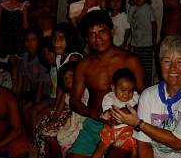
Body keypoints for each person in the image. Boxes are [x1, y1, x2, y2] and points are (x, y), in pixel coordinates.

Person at [111, 35, 181, 158]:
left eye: (180, 62)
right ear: (160, 65)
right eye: (167, 61)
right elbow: (144, 144)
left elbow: (178, 143)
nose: (173, 67)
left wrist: (139, 123)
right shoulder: (148, 96)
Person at [67, 10, 145, 158]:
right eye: (92, 34)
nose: (98, 38)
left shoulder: (130, 60)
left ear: (111, 31)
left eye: (102, 32)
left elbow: (146, 97)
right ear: (86, 38)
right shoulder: (83, 65)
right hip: (95, 123)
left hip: (126, 125)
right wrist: (94, 114)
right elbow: (74, 101)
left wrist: (125, 114)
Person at [36, 61, 88, 158]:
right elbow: (58, 111)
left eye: (71, 76)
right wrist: (54, 121)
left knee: (65, 137)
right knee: (46, 130)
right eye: (65, 78)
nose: (68, 80)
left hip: (82, 120)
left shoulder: (85, 91)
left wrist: (65, 120)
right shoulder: (66, 93)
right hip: (71, 119)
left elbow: (82, 111)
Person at [92, 68, 139, 158]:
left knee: (134, 150)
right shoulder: (109, 98)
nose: (127, 94)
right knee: (100, 147)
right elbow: (108, 114)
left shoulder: (136, 97)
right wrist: (107, 114)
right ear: (113, 88)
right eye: (123, 90)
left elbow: (140, 109)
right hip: (111, 129)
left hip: (128, 129)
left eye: (130, 90)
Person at [18, 27, 52, 142]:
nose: (30, 43)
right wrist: (20, 95)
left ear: (39, 41)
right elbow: (25, 78)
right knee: (21, 104)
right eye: (27, 40)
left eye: (33, 39)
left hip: (45, 93)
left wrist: (36, 103)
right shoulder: (25, 56)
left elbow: (41, 84)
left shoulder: (41, 57)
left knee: (30, 109)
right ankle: (25, 134)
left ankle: (33, 138)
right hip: (34, 91)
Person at [0, 0, 29, 94]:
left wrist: (25, 10)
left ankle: (18, 91)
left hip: (19, 38)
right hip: (7, 38)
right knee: (13, 64)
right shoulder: (2, 4)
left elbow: (25, 25)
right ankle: (14, 90)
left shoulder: (23, 5)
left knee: (19, 67)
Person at [128, 0, 157, 86]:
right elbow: (131, 27)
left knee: (146, 70)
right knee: (135, 69)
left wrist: (154, 42)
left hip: (147, 45)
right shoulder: (132, 9)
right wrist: (130, 43)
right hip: (135, 45)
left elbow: (154, 25)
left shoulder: (148, 9)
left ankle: (148, 89)